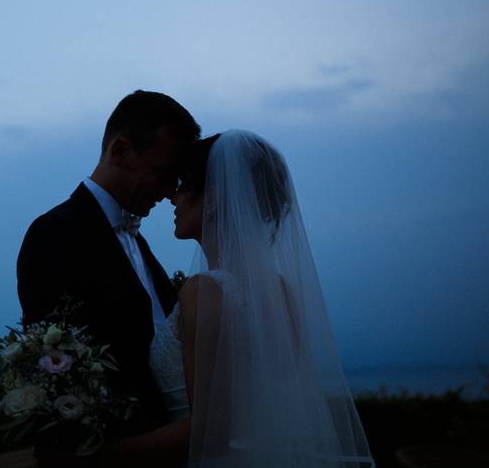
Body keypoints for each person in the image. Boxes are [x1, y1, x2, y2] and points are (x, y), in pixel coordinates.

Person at [125, 130, 374, 467]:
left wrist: (106, 454)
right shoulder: (280, 292)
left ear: (212, 199)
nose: (173, 197)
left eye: (183, 185)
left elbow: (211, 433)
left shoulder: (204, 291)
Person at [16, 90, 201, 434]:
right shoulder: (54, 233)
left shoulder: (137, 241)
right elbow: (56, 364)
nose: (169, 191)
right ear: (120, 151)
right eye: (163, 174)